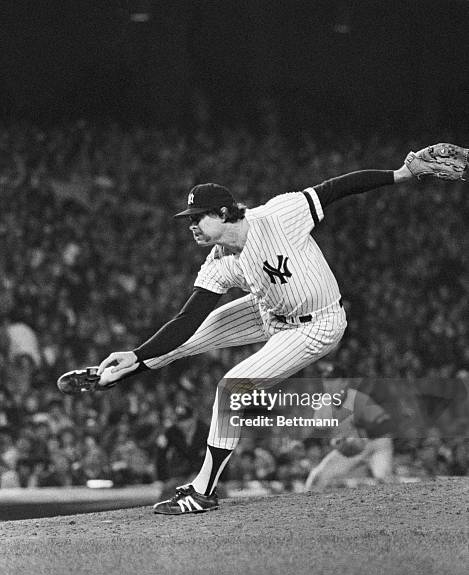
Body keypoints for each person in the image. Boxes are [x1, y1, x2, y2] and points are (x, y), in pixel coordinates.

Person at [57, 143, 465, 515]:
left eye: (198, 218)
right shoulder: (218, 260)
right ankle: (118, 372)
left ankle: (203, 491)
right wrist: (137, 354)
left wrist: (400, 175)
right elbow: (187, 322)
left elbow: (337, 188)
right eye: (189, 219)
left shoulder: (278, 215)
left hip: (317, 324)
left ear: (223, 213)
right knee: (189, 338)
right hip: (269, 311)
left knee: (231, 387)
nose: (192, 226)